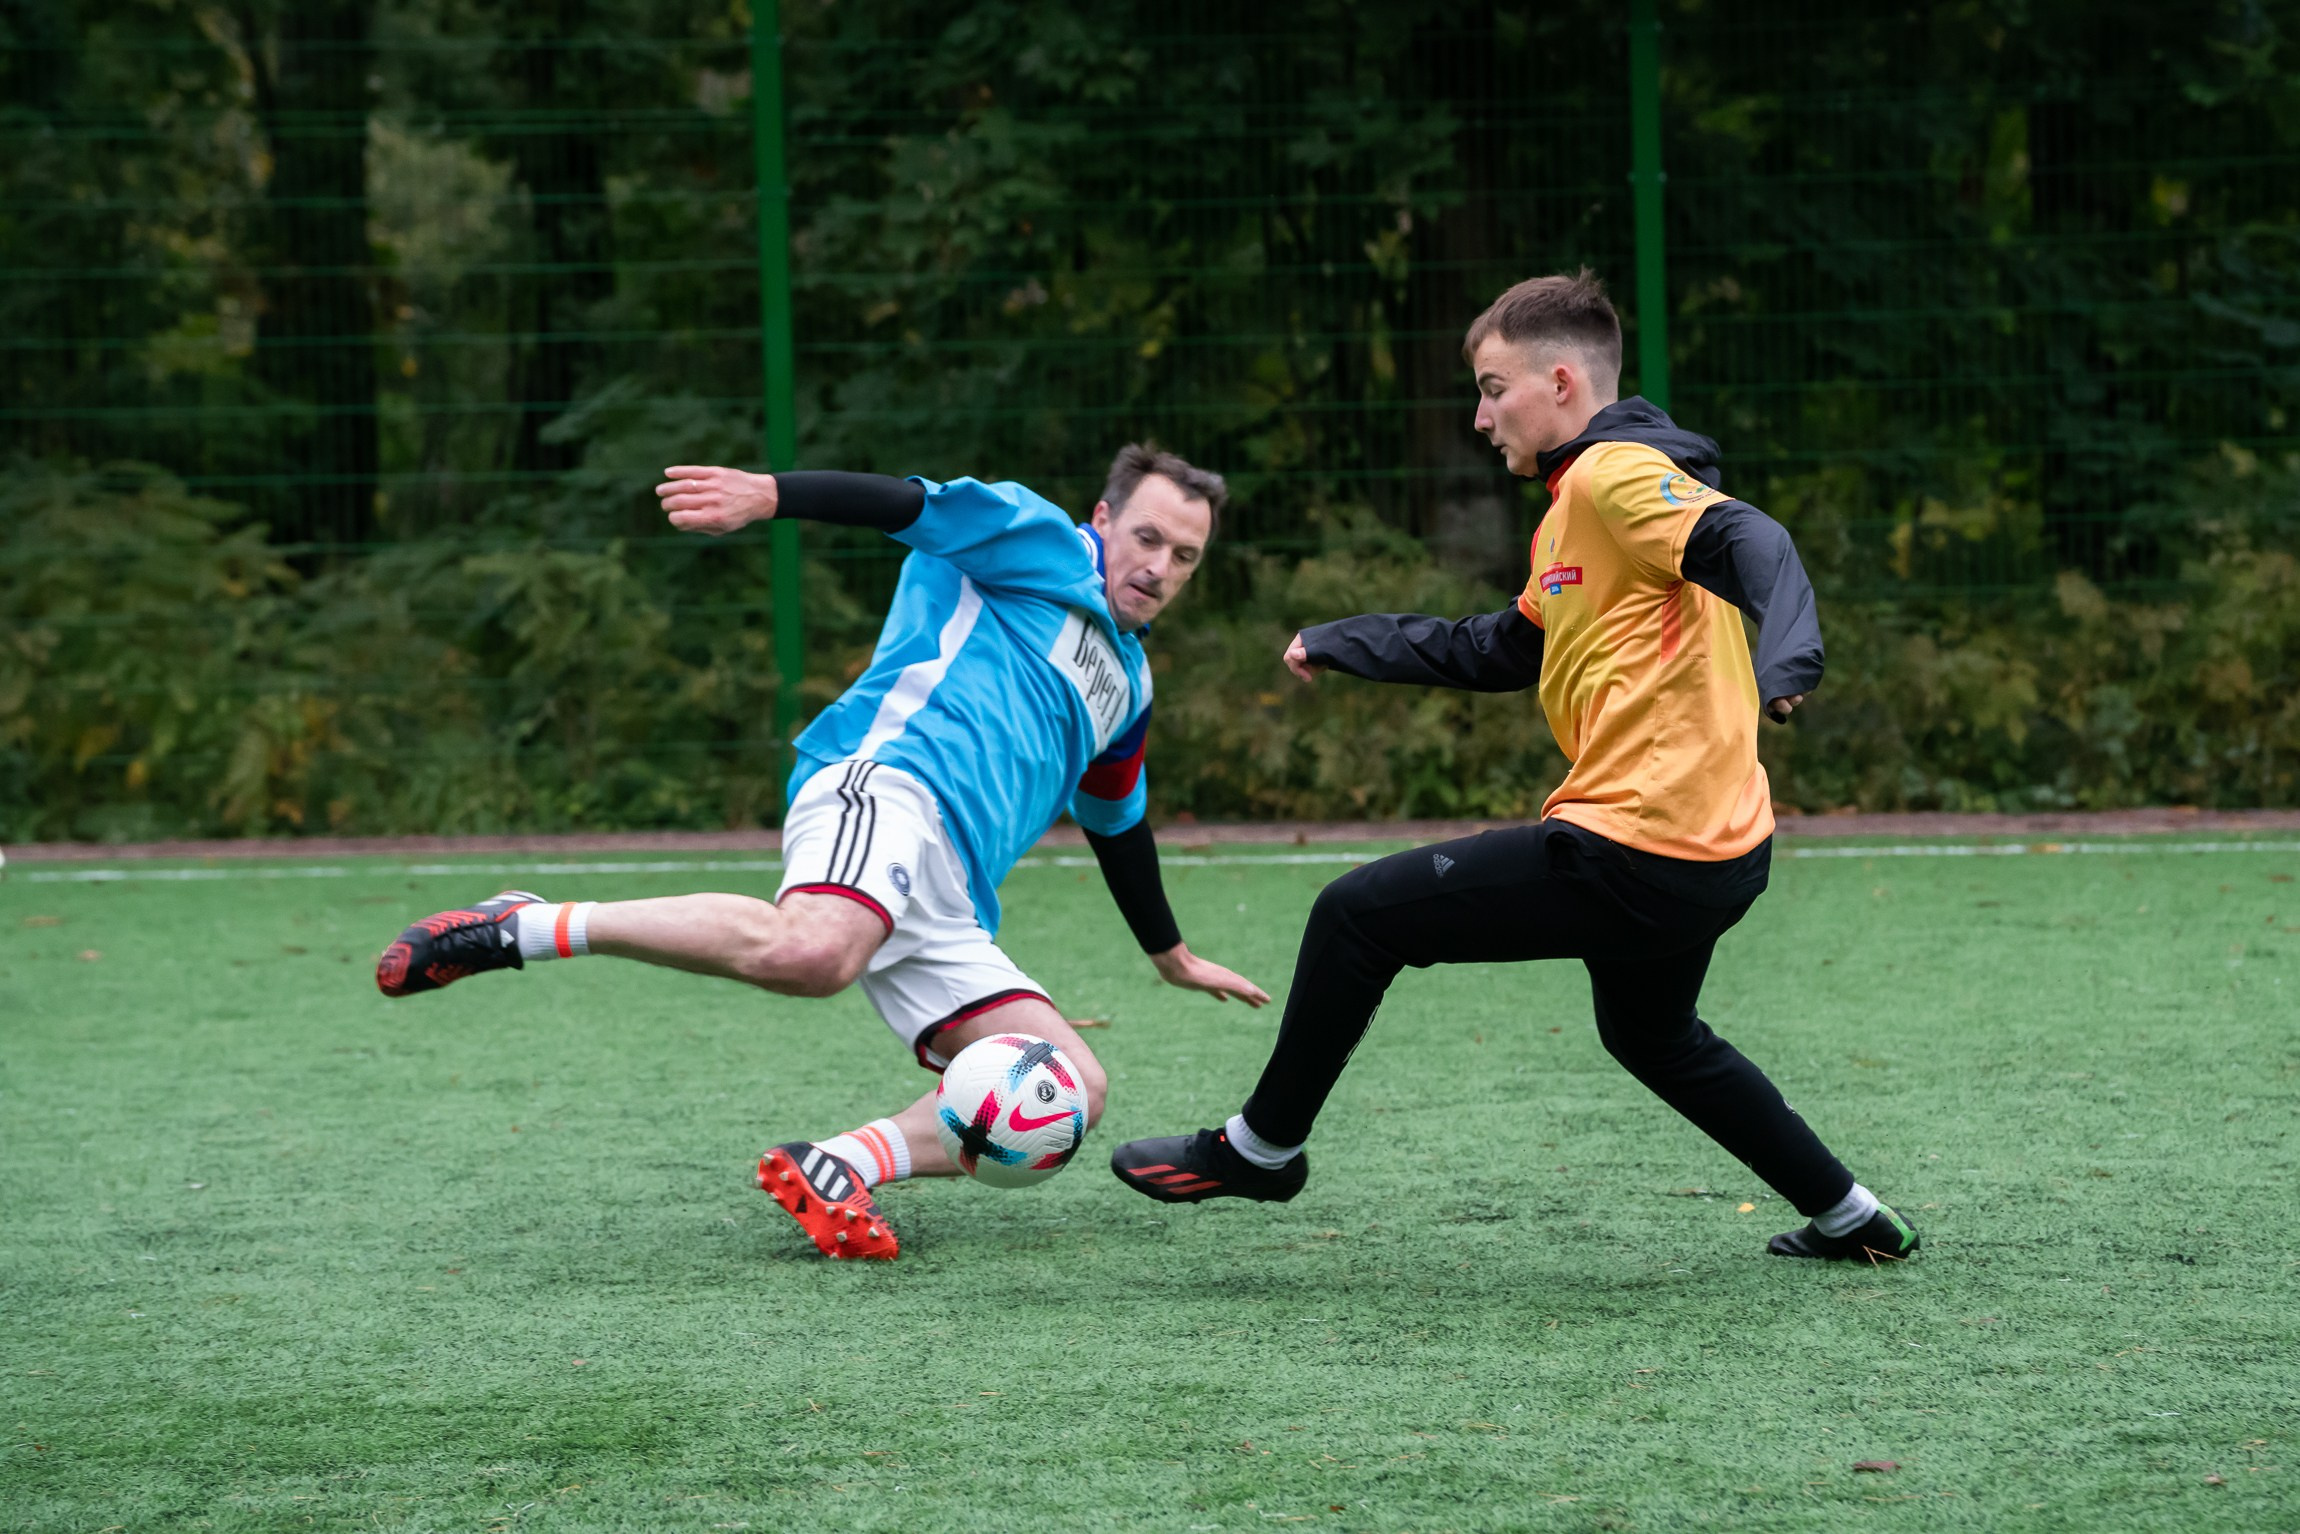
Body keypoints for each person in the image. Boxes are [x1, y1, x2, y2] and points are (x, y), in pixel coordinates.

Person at [1109, 272, 1919, 1263]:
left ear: (1562, 383)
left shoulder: (1613, 476)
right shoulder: (1573, 511)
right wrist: (1348, 640)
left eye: (1494, 388)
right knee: (1652, 1035)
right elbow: (1503, 648)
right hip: (1714, 849)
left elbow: (1751, 537)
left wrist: (1786, 658)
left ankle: (1261, 1149)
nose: (1481, 414)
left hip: (1636, 846)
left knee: (1355, 916)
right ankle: (1850, 1216)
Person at [375, 444, 1270, 1260]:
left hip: (951, 894)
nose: (1157, 568)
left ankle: (840, 1164)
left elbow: (1116, 821)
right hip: (887, 786)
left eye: (1184, 556)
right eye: (1147, 537)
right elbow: (906, 503)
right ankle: (527, 926)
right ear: (1106, 519)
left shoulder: (1132, 682)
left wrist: (1173, 955)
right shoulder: (1040, 541)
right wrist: (770, 496)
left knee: (1070, 1086)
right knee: (812, 953)